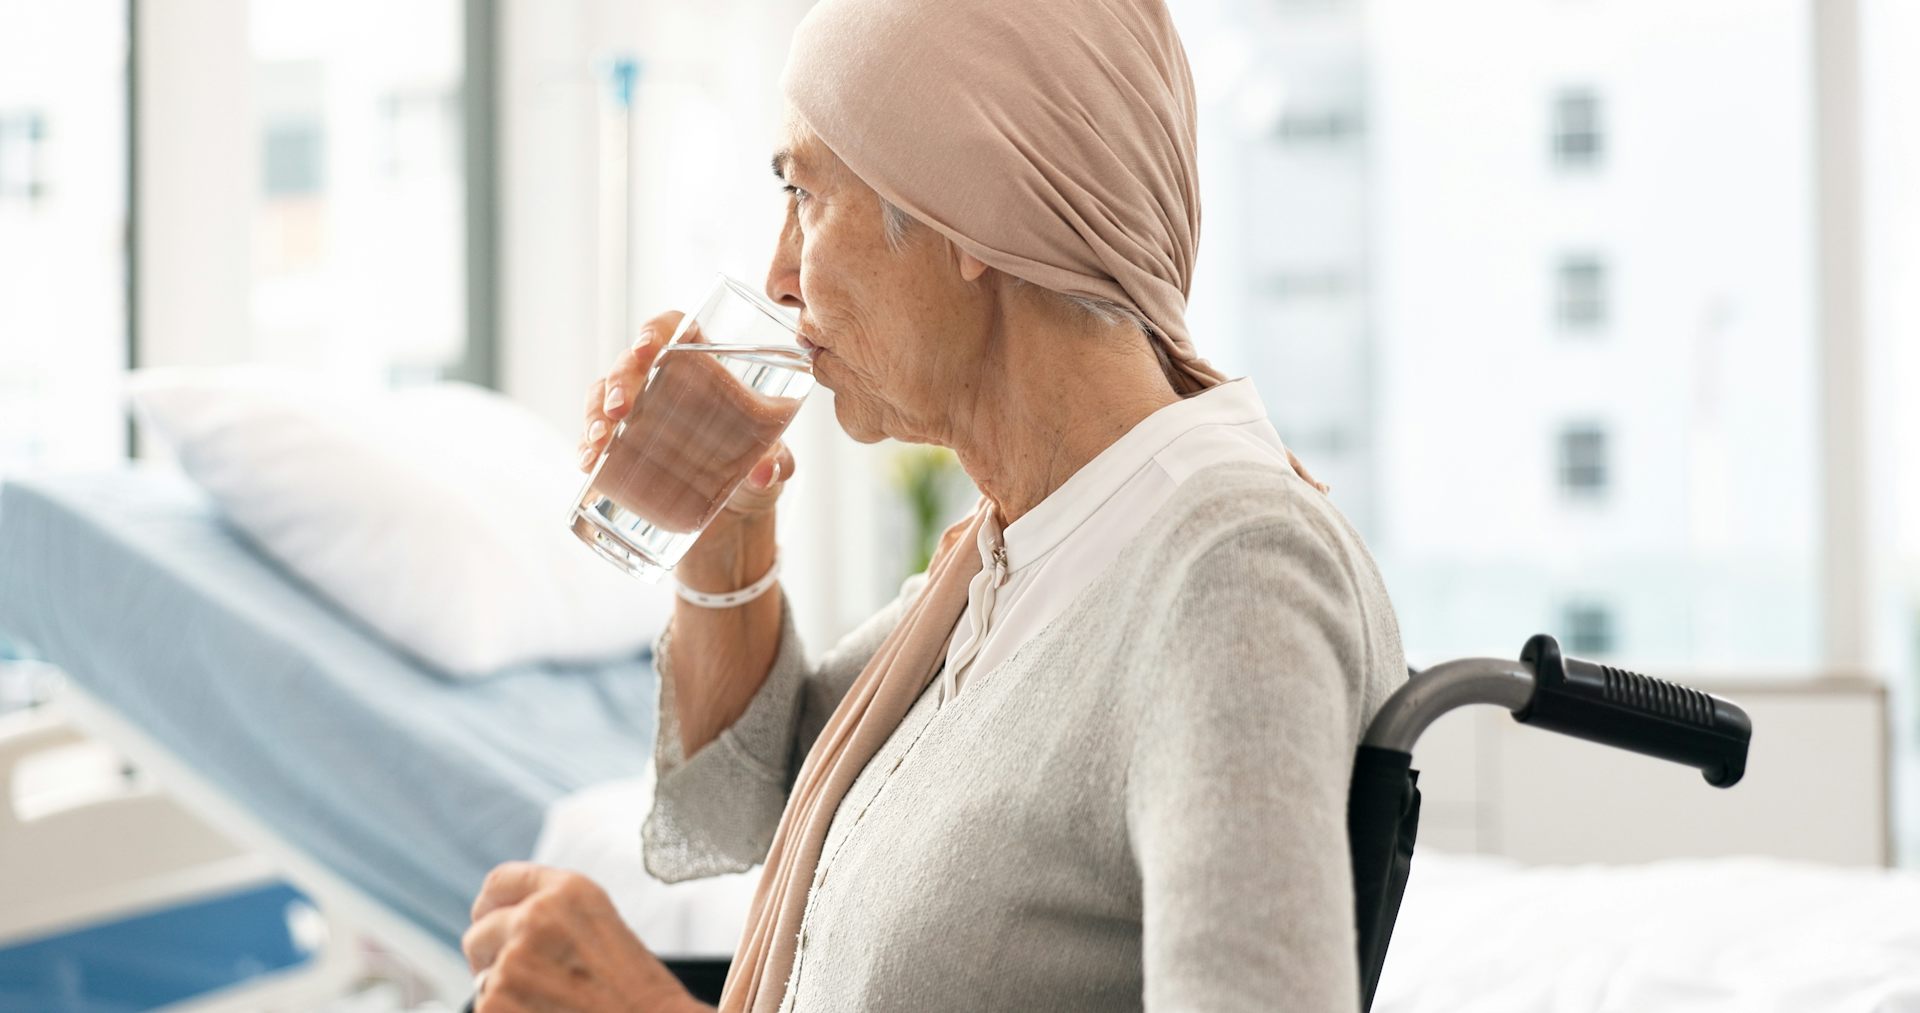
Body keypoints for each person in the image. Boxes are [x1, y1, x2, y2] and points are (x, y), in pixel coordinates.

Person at [460, 0, 1406, 1009]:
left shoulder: (1229, 569)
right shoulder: (1022, 552)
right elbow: (749, 808)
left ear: (972, 215)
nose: (780, 274)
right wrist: (726, 534)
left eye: (805, 194)